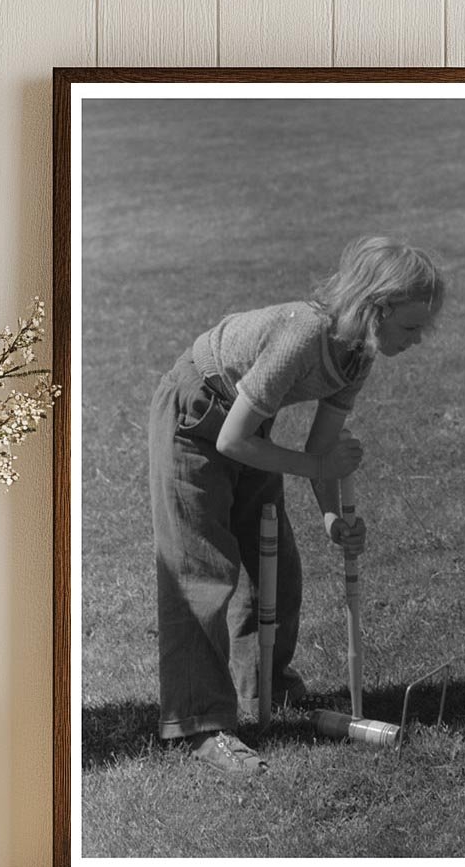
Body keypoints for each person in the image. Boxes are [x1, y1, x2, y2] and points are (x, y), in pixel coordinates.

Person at [148, 234, 445, 775]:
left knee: (277, 570)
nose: (418, 339)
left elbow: (319, 449)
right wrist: (317, 468)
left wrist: (332, 518)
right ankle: (202, 723)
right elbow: (231, 442)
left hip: (246, 426)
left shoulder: (357, 356)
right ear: (375, 309)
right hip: (195, 419)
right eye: (410, 327)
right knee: (202, 573)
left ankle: (267, 691)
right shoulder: (305, 332)